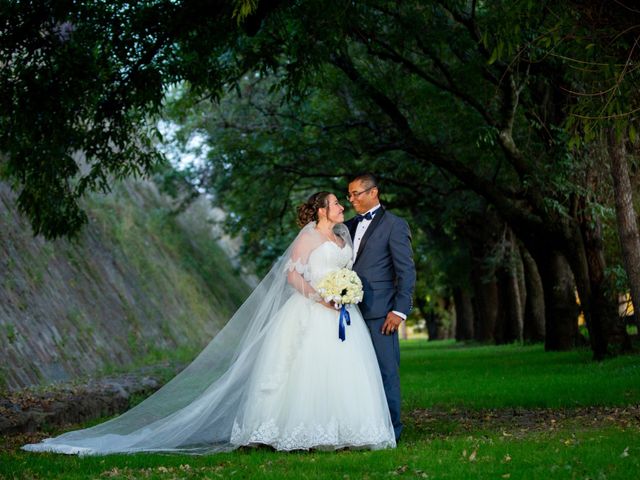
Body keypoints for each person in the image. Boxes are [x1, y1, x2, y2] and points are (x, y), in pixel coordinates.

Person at [23, 192, 396, 455]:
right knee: (304, 373)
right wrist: (320, 296)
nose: (341, 206)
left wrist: (345, 292)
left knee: (342, 372)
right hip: (312, 313)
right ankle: (292, 432)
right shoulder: (309, 236)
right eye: (335, 202)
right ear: (320, 210)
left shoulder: (342, 234)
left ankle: (346, 430)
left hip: (344, 316)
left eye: (341, 202)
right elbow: (292, 275)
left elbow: (345, 269)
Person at [344, 174, 416, 442]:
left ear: (374, 192)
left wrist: (399, 311)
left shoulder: (395, 225)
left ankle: (392, 431)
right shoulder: (347, 226)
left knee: (386, 371)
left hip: (380, 313)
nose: (351, 199)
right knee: (352, 372)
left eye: (356, 194)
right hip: (348, 312)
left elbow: (406, 271)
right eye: (349, 195)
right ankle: (359, 428)